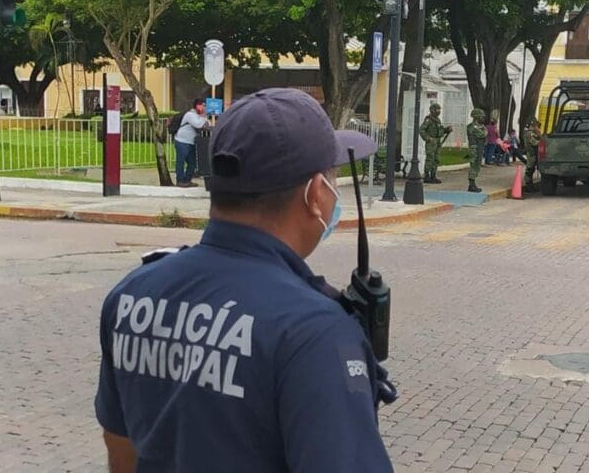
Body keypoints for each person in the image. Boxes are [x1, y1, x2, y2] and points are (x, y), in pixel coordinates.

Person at [95, 88, 397, 473]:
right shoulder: (314, 332)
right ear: (314, 194)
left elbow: (121, 451)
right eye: (332, 179)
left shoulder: (131, 294)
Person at [173, 98, 209, 188]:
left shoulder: (199, 116)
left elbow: (206, 125)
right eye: (204, 105)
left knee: (192, 162)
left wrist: (204, 119)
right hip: (182, 141)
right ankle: (180, 180)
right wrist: (204, 116)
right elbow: (198, 124)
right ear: (198, 106)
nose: (205, 108)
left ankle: (187, 180)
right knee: (180, 161)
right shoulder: (190, 115)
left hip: (191, 142)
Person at [419, 103, 452, 184]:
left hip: (437, 141)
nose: (438, 111)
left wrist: (446, 130)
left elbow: (440, 130)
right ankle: (427, 176)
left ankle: (433, 176)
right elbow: (421, 130)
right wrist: (428, 138)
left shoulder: (437, 120)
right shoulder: (428, 120)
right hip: (431, 142)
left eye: (439, 110)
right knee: (430, 158)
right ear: (432, 110)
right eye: (437, 110)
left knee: (436, 159)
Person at [466, 108, 486, 193]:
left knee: (477, 166)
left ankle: (473, 184)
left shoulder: (479, 126)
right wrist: (484, 129)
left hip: (479, 148)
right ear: (477, 117)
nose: (483, 119)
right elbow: (482, 134)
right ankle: (472, 185)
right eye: (481, 117)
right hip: (474, 149)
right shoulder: (472, 127)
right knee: (474, 166)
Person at [524, 118, 542, 192]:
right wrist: (541, 139)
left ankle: (530, 186)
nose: (538, 127)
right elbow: (535, 143)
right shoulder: (530, 134)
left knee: (532, 169)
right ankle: (529, 186)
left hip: (533, 154)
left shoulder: (531, 133)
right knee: (529, 170)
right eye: (536, 126)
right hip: (531, 154)